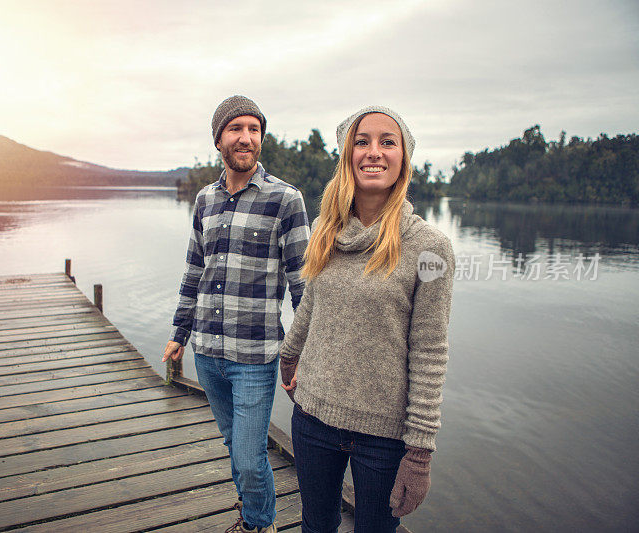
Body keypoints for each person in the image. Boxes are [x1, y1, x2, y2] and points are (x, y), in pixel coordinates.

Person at [279, 106, 454, 532]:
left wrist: (419, 453)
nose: (373, 152)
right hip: (313, 417)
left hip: (384, 436)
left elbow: (429, 353)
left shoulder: (431, 249)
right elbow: (311, 304)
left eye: (387, 142)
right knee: (315, 525)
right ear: (347, 157)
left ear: (403, 159)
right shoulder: (324, 229)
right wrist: (289, 354)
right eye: (362, 141)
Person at [163, 95, 310, 533]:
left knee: (248, 456)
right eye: (236, 129)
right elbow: (194, 272)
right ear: (219, 140)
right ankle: (250, 509)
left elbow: (303, 284)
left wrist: (304, 352)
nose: (246, 138)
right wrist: (180, 333)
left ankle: (258, 524)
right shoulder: (205, 201)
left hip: (256, 356)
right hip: (207, 352)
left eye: (254, 129)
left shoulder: (285, 200)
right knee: (235, 444)